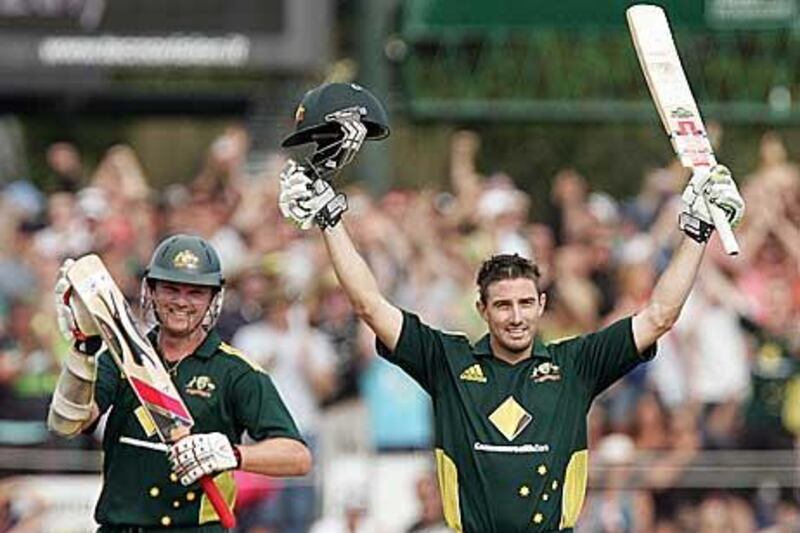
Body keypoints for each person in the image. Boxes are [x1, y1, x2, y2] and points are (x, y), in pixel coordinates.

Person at [276, 82, 746, 532]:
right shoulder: (448, 361)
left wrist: (696, 233)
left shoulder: (575, 364)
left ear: (542, 305)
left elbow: (659, 315)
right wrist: (330, 220)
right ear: (482, 309)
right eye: (503, 305)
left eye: (525, 303)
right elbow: (369, 304)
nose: (516, 316)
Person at [47, 234, 311, 531]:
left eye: (195, 292)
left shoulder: (235, 371)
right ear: (152, 290)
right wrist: (83, 349)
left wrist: (231, 454)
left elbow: (297, 456)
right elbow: (68, 423)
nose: (181, 302)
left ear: (214, 298)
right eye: (171, 289)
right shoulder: (121, 357)